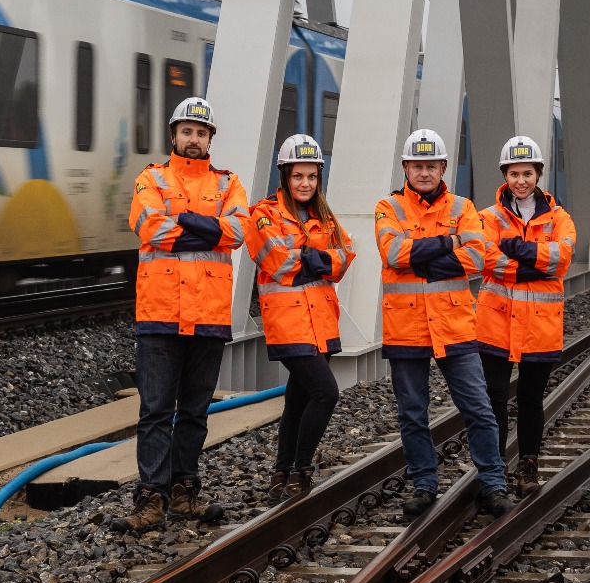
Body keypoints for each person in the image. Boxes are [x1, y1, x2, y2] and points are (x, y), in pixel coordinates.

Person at [119, 96, 250, 533]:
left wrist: (181, 220)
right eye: (187, 131)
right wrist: (207, 225)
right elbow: (148, 226)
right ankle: (151, 497)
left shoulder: (229, 183)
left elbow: (238, 231)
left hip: (209, 315)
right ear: (174, 135)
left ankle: (184, 490)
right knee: (155, 410)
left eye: (201, 132)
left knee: (194, 411)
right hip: (160, 314)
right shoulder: (150, 178)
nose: (194, 139)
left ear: (210, 138)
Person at [374, 129, 513, 519]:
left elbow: (478, 258)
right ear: (405, 168)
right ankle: (424, 485)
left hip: (454, 326)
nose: (423, 173)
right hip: (406, 327)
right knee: (412, 413)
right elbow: (392, 252)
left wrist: (419, 257)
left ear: (443, 168)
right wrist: (448, 244)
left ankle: (493, 483)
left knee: (479, 409)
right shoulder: (388, 207)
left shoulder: (463, 207)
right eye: (416, 166)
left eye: (430, 166)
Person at [243, 133, 354, 503]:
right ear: (284, 176)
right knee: (326, 393)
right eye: (298, 176)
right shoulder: (264, 213)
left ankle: (281, 470)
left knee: (298, 399)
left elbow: (346, 255)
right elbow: (275, 261)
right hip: (289, 324)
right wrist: (318, 261)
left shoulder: (324, 216)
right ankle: (302, 469)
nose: (305, 183)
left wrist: (310, 260)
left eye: (311, 177)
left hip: (321, 321)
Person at [477, 135, 576, 496]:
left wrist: (513, 249)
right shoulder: (487, 217)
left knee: (532, 400)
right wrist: (534, 263)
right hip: (496, 323)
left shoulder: (559, 217)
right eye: (515, 173)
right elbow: (485, 257)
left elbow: (562, 258)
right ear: (505, 174)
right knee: (494, 398)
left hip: (539, 324)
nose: (521, 181)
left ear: (539, 174)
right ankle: (495, 468)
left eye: (528, 173)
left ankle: (528, 466)